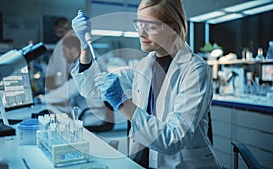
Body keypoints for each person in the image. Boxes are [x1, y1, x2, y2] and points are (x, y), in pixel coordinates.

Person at [71, 0, 221, 168]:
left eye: (150, 27)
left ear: (174, 28)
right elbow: (91, 88)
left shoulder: (195, 70)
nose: (141, 34)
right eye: (138, 25)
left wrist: (123, 103)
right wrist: (84, 46)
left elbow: (173, 139)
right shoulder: (142, 67)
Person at [39, 34, 114, 131]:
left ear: (74, 50)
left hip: (92, 117)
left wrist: (42, 99)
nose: (63, 55)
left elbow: (70, 89)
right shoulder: (83, 62)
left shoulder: (86, 64)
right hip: (91, 111)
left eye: (64, 51)